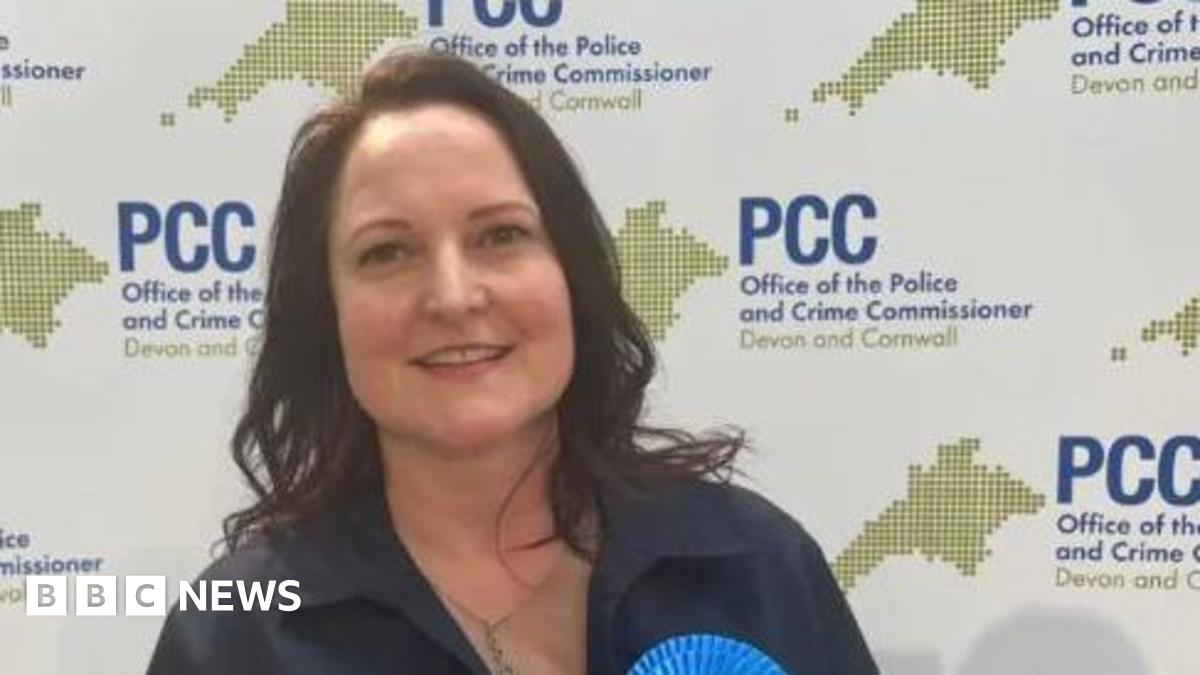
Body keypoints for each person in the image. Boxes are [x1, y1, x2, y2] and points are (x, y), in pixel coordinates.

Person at [146, 51, 878, 675]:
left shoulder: (754, 565)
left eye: (499, 235)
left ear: (570, 274)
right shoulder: (238, 635)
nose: (454, 296)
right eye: (387, 251)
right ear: (327, 315)